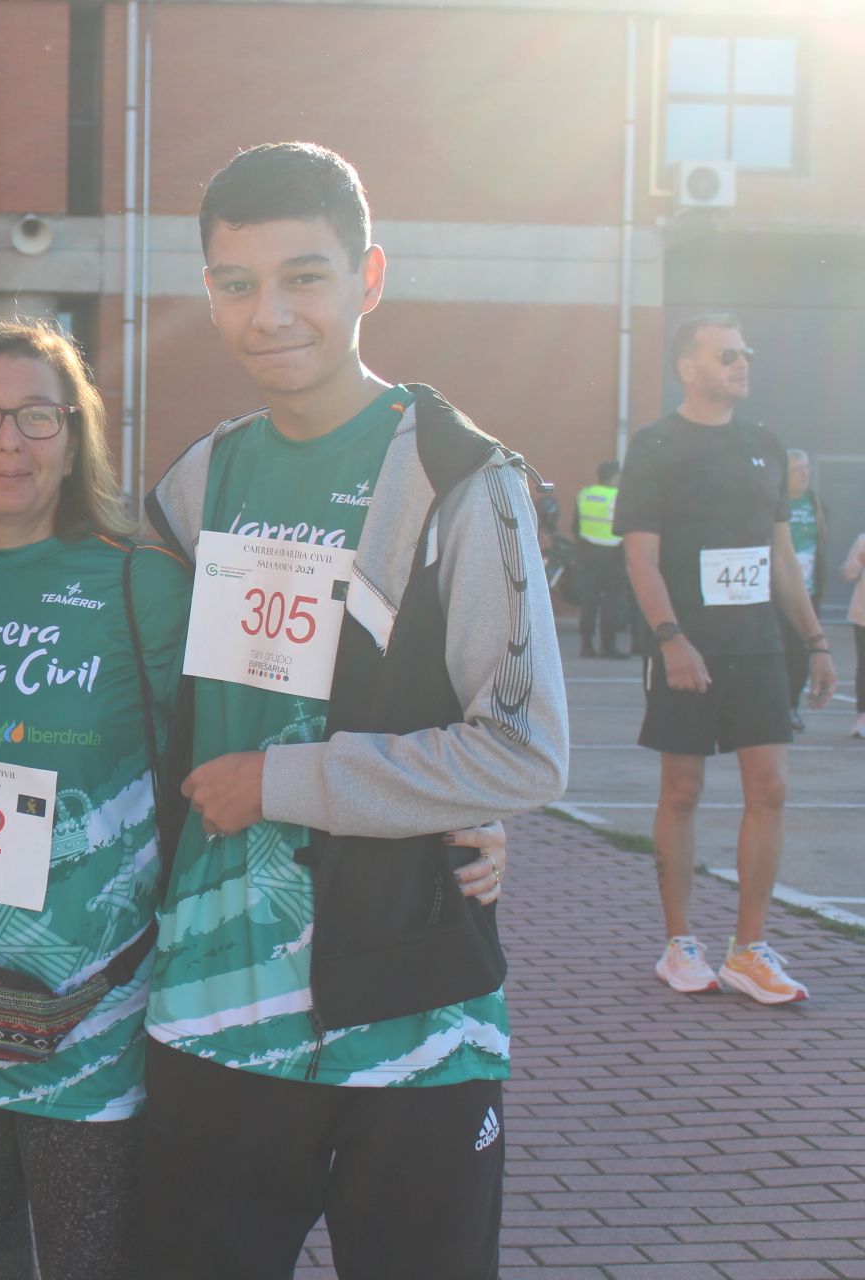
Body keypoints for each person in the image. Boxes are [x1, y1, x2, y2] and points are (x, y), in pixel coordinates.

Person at [132, 143, 568, 1278]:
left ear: (368, 277)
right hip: (211, 1002)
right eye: (236, 284)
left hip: (413, 1017)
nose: (268, 313)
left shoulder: (465, 476)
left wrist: (288, 782)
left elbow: (523, 748)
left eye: (303, 276)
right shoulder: (199, 481)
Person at [0, 320, 191, 1280]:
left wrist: (442, 820)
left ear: (74, 435)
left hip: (94, 1017)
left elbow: (254, 741)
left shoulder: (144, 584)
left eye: (37, 417)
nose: (10, 442)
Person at [616, 312, 835, 1005]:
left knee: (769, 790)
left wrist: (816, 642)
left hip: (759, 646)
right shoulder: (655, 446)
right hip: (688, 645)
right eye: (727, 355)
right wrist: (671, 638)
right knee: (681, 792)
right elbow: (639, 557)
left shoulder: (765, 446)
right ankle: (680, 942)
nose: (743, 364)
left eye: (746, 354)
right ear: (689, 367)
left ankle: (749, 948)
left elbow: (780, 560)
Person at [780, 449, 827, 731]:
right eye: (797, 469)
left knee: (799, 653)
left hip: (807, 595)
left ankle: (791, 707)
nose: (803, 474)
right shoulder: (776, 503)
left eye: (806, 468)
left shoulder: (817, 505)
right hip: (775, 595)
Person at [576, 460, 629, 658]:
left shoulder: (585, 494)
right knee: (611, 603)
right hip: (614, 555)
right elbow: (625, 528)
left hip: (588, 554)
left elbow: (576, 527)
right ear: (614, 476)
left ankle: (586, 645)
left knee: (589, 601)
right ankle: (608, 645)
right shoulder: (618, 497)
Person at [841, 530, 865, 739]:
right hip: (863, 616)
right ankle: (862, 718)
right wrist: (859, 561)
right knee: (864, 667)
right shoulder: (863, 540)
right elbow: (847, 574)